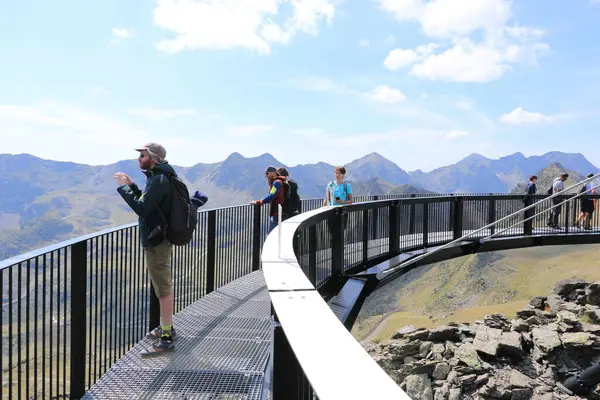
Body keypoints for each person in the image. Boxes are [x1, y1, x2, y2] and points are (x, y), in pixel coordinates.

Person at [114, 142, 177, 353]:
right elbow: (148, 202)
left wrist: (124, 188)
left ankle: (167, 335)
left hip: (157, 241)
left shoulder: (158, 179)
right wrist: (132, 187)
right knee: (162, 285)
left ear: (154, 158)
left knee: (163, 288)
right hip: (157, 239)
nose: (138, 159)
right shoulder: (158, 177)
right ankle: (166, 327)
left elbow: (141, 208)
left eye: (142, 156)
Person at [250, 166, 288, 233]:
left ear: (272, 173)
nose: (266, 176)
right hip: (284, 212)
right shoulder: (281, 181)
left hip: (278, 213)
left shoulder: (276, 183)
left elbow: (272, 195)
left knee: (271, 235)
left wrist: (259, 202)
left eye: (267, 173)